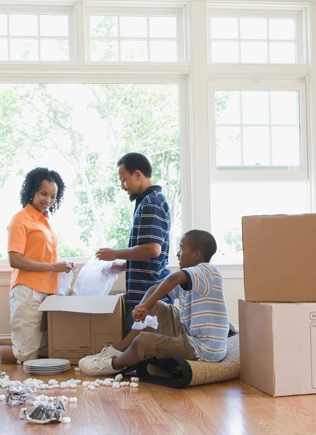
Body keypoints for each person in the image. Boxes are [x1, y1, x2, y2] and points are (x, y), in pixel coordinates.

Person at [0, 167, 74, 364]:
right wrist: (53, 267)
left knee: (43, 346)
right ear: (32, 191)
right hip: (28, 291)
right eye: (43, 193)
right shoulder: (21, 219)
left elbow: (41, 255)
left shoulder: (45, 221)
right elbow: (15, 259)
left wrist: (60, 268)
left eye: (53, 196)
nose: (48, 200)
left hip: (46, 291)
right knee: (27, 355)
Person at [80, 230, 229, 376]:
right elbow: (155, 289)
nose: (177, 254)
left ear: (196, 254)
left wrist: (146, 305)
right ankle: (119, 350)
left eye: (182, 248)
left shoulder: (208, 271)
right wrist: (143, 307)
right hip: (188, 335)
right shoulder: (193, 277)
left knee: (142, 342)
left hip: (203, 349)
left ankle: (114, 364)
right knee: (156, 307)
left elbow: (173, 279)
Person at [96, 152, 173, 323]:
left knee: (141, 347)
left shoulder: (151, 202)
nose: (123, 186)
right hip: (145, 293)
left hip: (147, 295)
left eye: (124, 180)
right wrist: (125, 264)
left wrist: (115, 253)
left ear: (138, 174)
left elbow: (153, 249)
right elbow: (149, 253)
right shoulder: (148, 202)